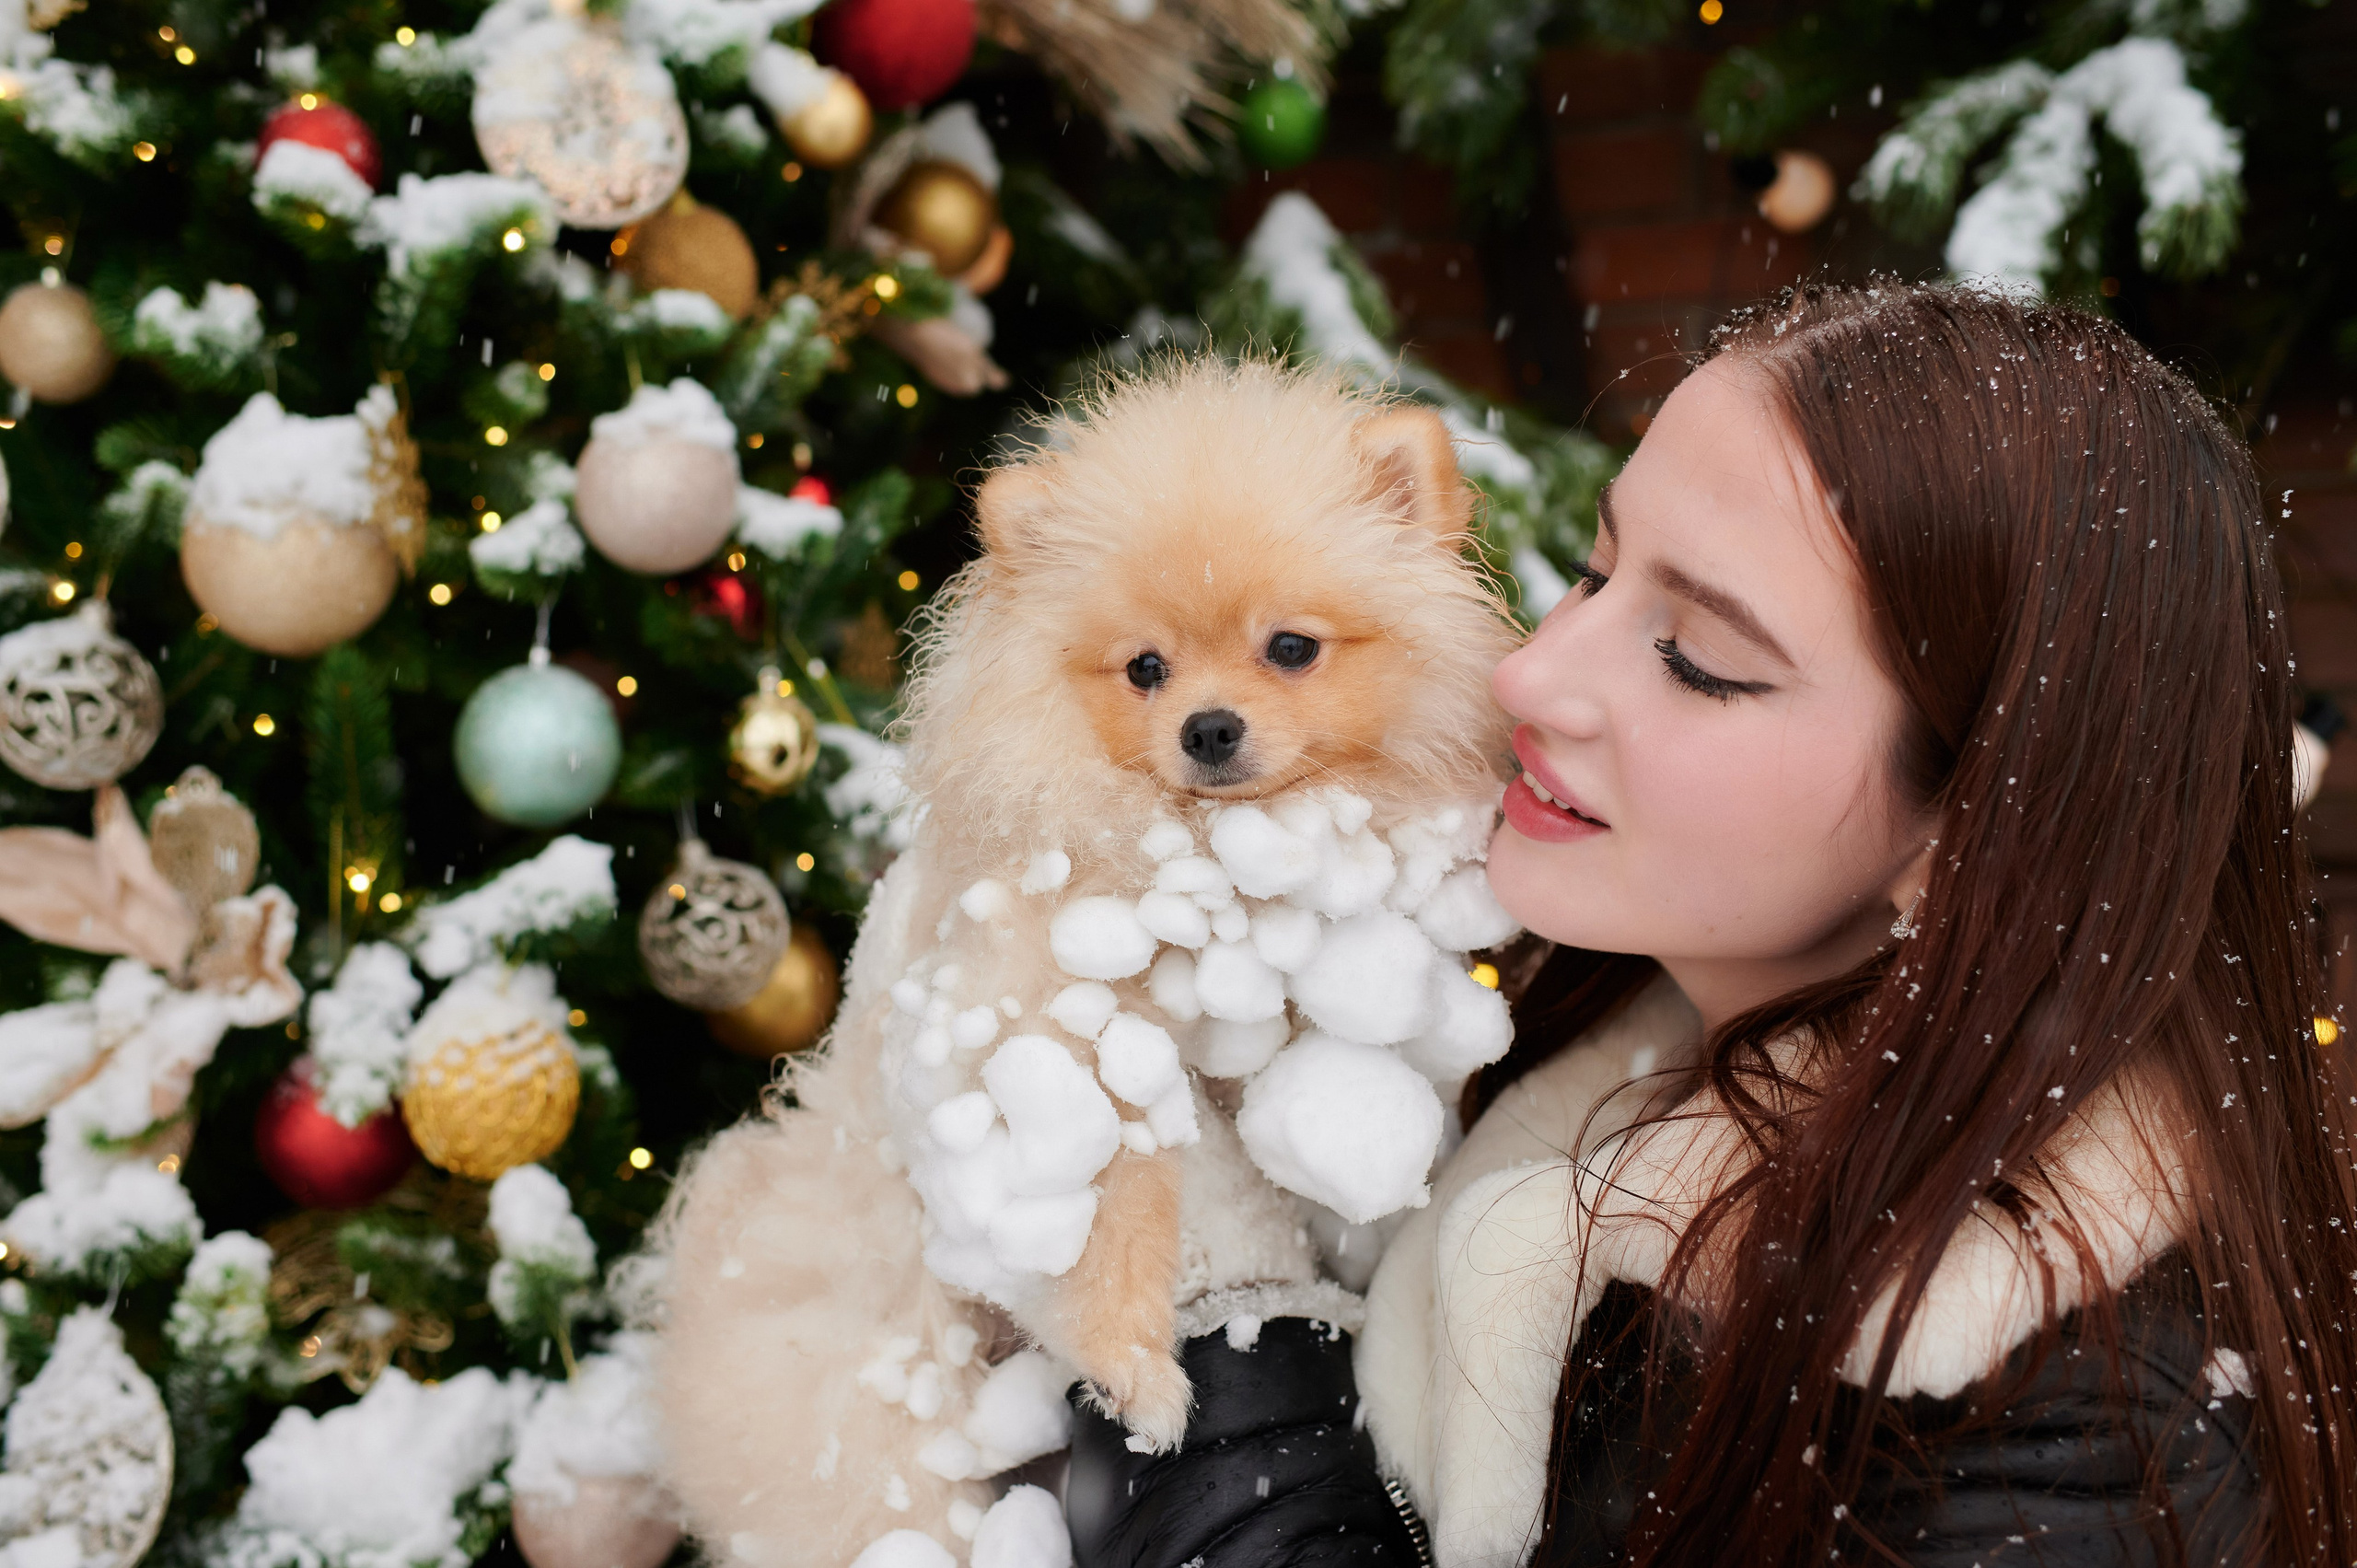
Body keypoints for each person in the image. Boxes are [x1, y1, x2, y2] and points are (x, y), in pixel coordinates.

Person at [1062, 284, 2357, 1568]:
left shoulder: (2080, 1441)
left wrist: (1212, 1315)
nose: (1532, 671)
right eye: (1594, 569)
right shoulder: (1545, 1020)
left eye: (1695, 657)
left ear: (1970, 831)